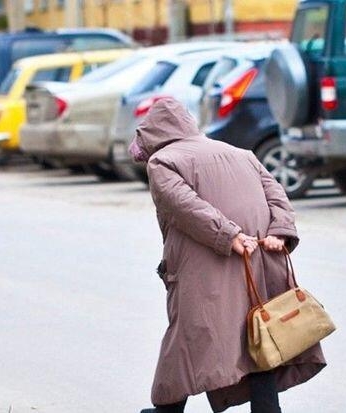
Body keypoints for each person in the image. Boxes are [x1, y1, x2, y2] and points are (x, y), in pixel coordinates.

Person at [130, 98, 326, 413]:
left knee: (188, 338)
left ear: (151, 133)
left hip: (207, 266)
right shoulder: (241, 154)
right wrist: (279, 231)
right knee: (256, 333)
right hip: (256, 261)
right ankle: (266, 408)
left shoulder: (162, 162)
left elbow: (183, 204)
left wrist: (230, 234)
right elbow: (276, 193)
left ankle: (166, 410)